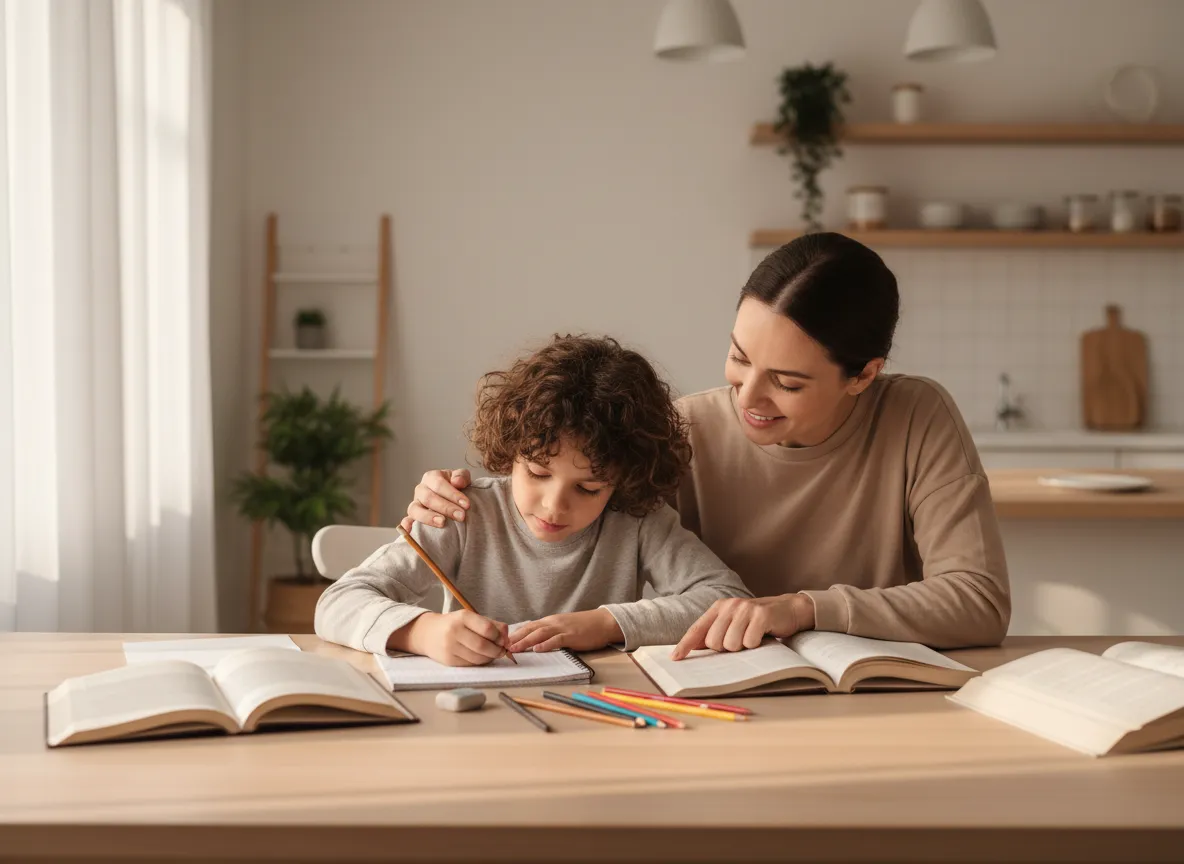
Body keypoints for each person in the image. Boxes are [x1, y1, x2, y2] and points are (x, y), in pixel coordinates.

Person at [403, 233, 1011, 657]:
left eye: (789, 382)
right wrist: (461, 497)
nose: (750, 397)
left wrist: (803, 607)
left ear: (864, 375)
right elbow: (561, 522)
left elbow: (978, 602)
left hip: (880, 696)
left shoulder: (917, 416)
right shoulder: (676, 431)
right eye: (740, 359)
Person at [314, 335, 751, 666]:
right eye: (538, 473)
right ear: (511, 453)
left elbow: (726, 597)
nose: (553, 506)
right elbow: (338, 603)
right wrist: (421, 632)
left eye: (588, 488)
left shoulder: (635, 519)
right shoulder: (464, 513)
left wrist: (602, 624)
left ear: (622, 479)